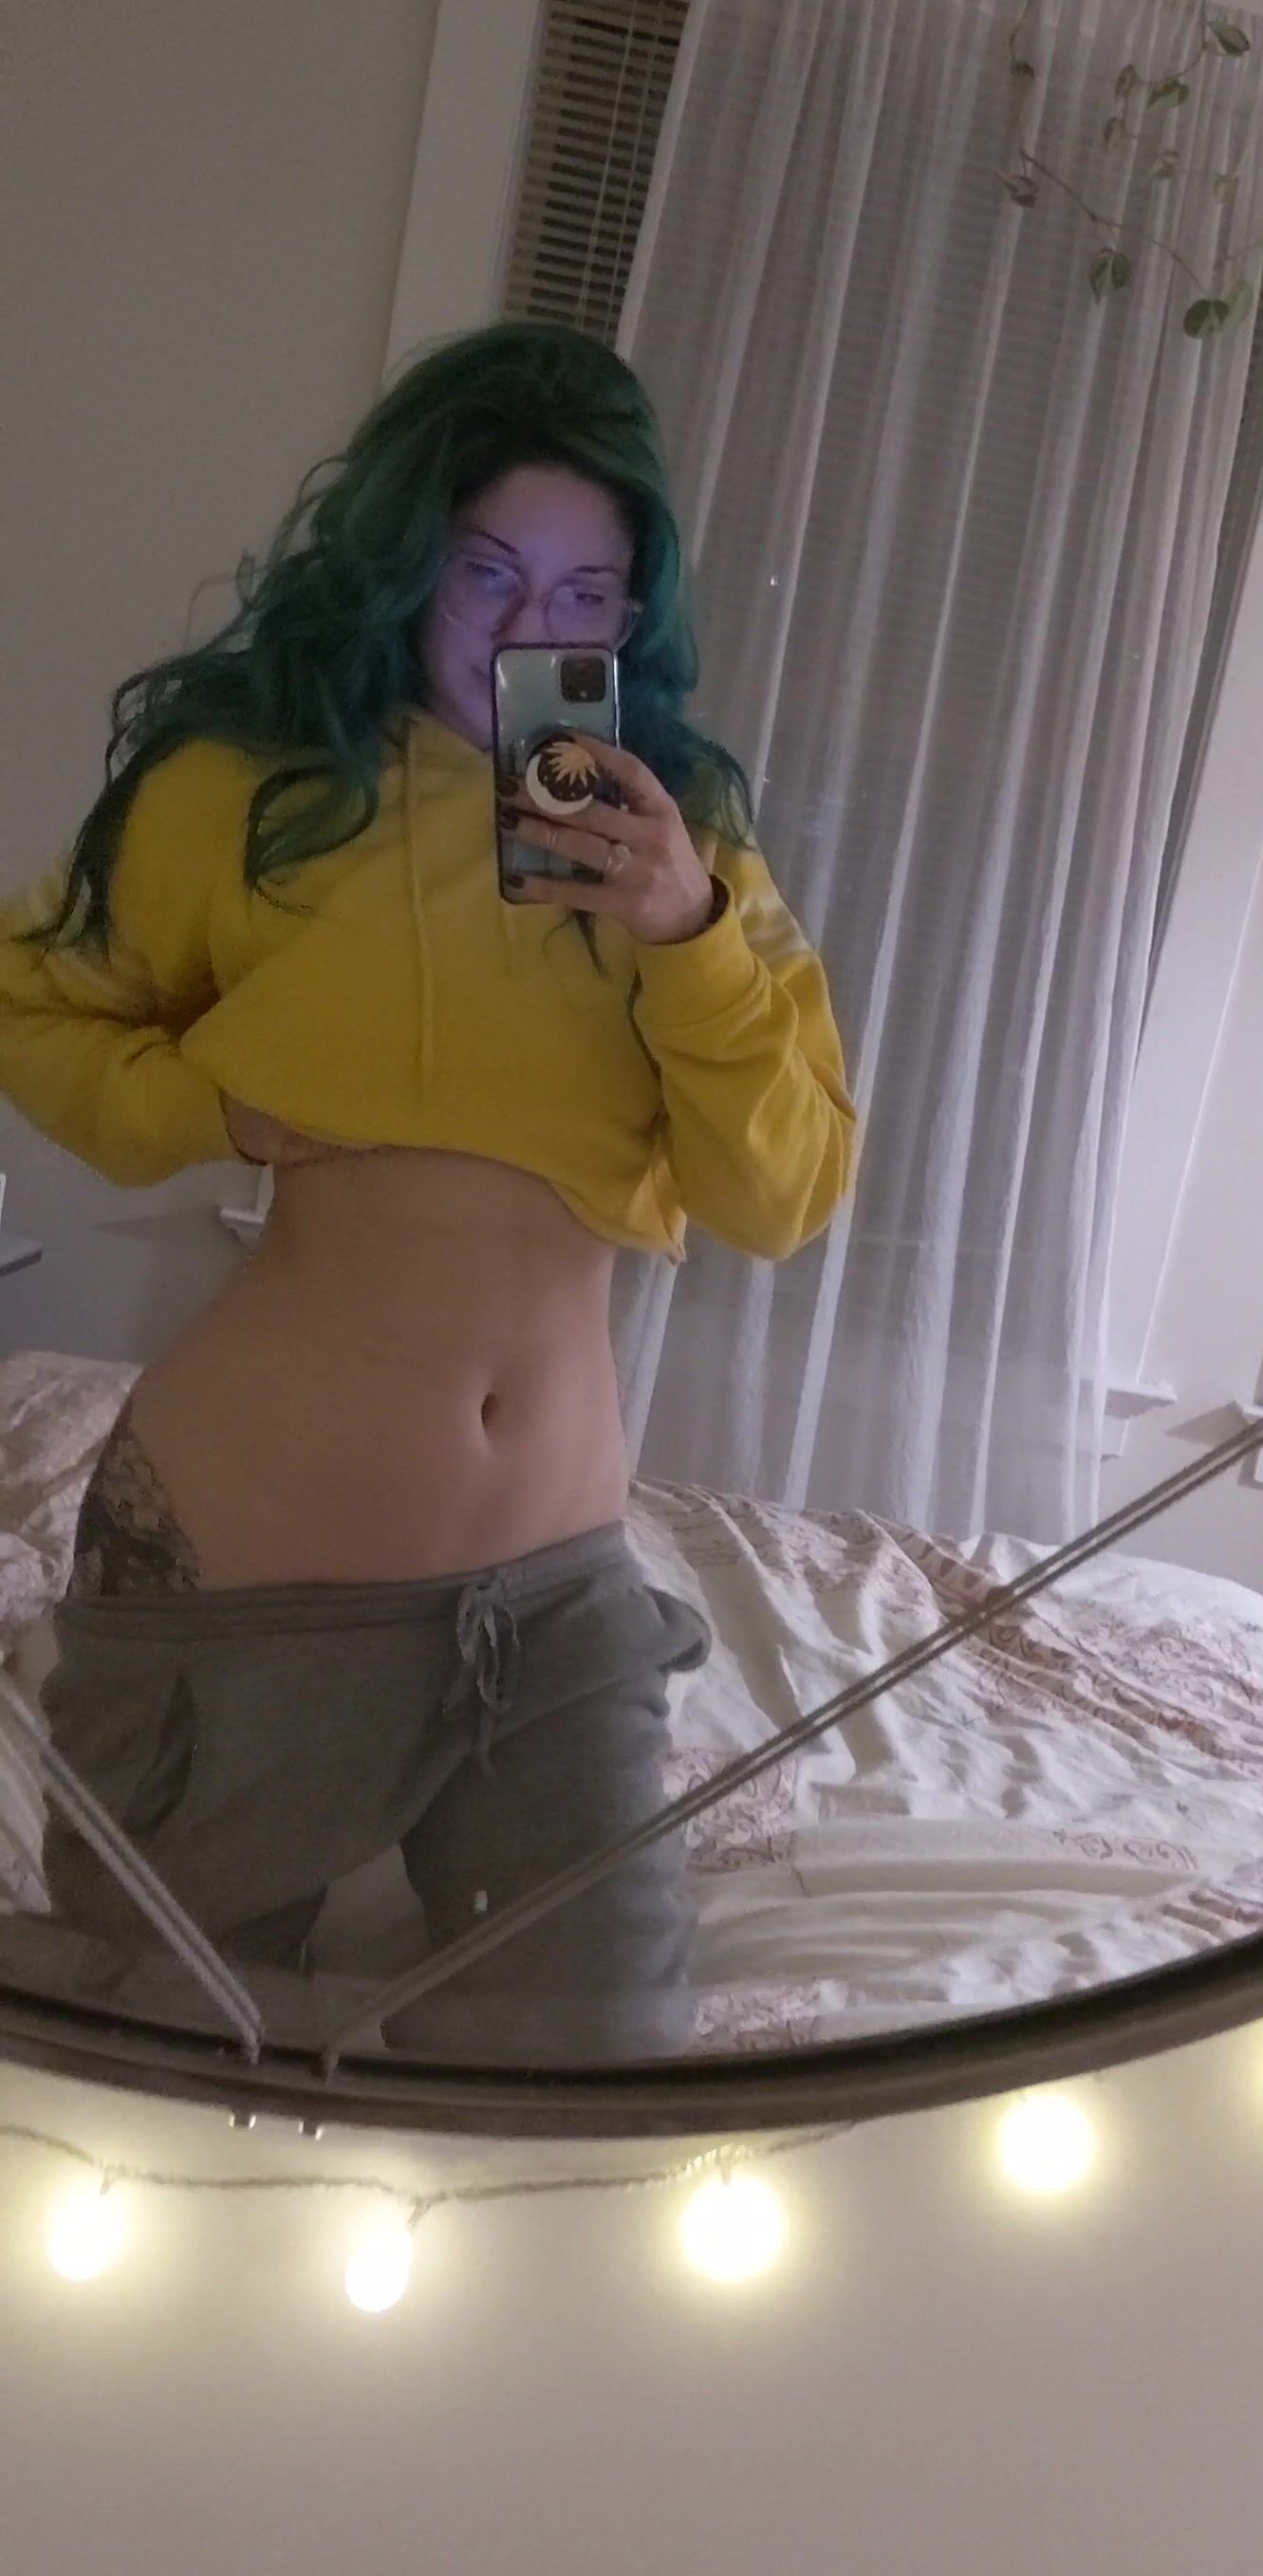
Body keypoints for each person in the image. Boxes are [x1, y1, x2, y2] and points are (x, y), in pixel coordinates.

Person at [0, 321, 859, 2062]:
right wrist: (211, 1107)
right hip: (249, 1583)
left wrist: (687, 932)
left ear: (633, 614)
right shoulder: (247, 798)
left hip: (553, 1604)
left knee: (595, 2067)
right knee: (164, 2069)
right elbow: (33, 1001)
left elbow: (782, 1196)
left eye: (586, 592)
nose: (536, 628)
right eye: (489, 573)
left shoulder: (678, 841)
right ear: (406, 569)